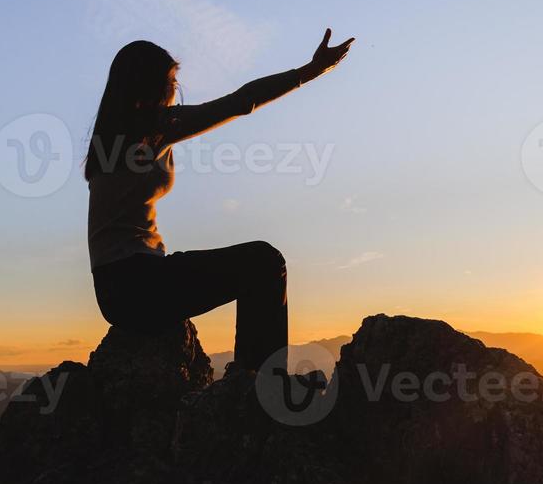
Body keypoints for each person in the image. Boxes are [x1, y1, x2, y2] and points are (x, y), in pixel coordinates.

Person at [85, 30, 354, 371]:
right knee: (264, 262)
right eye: (170, 80)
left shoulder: (109, 137)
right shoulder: (154, 128)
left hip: (118, 290)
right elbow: (241, 101)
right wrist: (310, 71)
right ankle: (259, 383)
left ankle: (255, 380)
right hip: (137, 284)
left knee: (258, 264)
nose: (175, 89)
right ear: (149, 85)